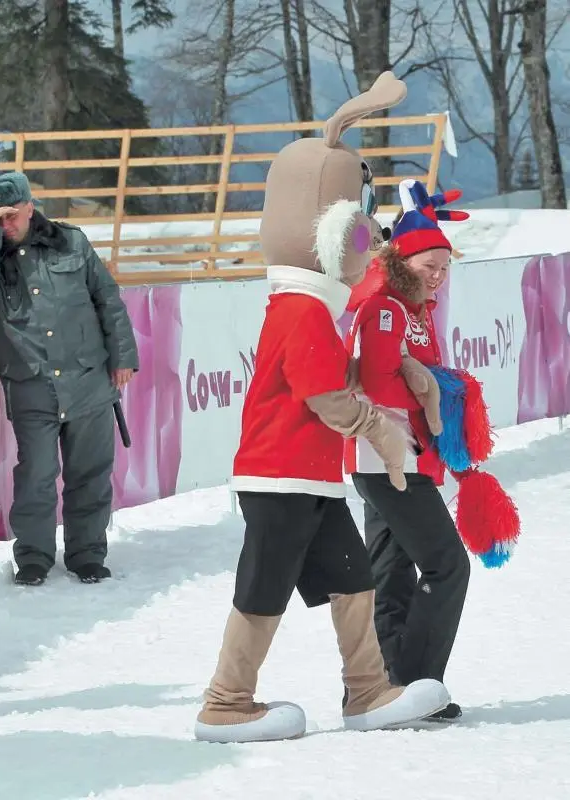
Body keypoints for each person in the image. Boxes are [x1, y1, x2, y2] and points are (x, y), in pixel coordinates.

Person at [194, 72, 450, 745]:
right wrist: (383, 435)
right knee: (263, 592)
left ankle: (366, 691)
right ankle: (225, 701)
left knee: (354, 580)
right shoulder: (303, 309)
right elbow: (325, 397)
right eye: (357, 234)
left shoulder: (310, 307)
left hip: (309, 478)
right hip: (277, 477)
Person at [0, 172, 138, 587]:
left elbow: (107, 298)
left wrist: (122, 355)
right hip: (31, 385)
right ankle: (33, 558)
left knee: (89, 473)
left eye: (11, 215)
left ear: (30, 207)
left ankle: (87, 554)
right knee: (35, 476)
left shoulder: (70, 241)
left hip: (89, 379)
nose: (6, 225)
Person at [344, 178, 471, 721]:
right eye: (429, 265)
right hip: (385, 453)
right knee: (448, 565)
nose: (438, 275)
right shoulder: (386, 302)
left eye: (445, 266)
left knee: (389, 572)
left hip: (401, 453)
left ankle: (383, 686)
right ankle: (417, 683)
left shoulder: (413, 304)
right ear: (403, 259)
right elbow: (377, 377)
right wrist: (433, 387)